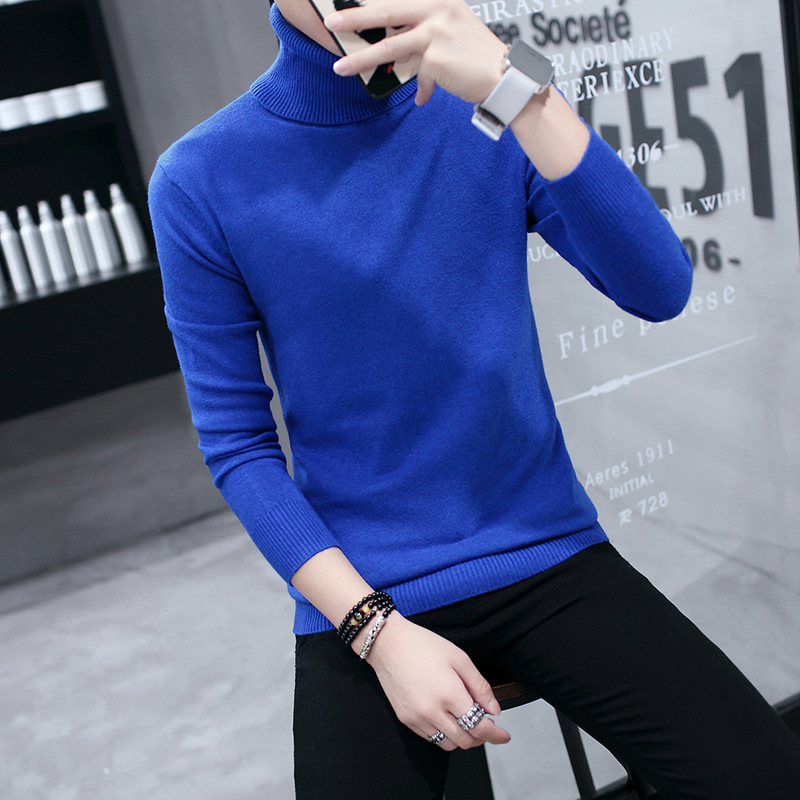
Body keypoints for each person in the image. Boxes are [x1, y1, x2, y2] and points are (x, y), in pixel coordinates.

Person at [148, 0, 800, 797]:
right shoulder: (202, 176)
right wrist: (376, 633)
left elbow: (658, 287)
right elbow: (239, 447)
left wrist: (520, 92)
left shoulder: (487, 102)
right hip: (364, 587)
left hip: (544, 548)